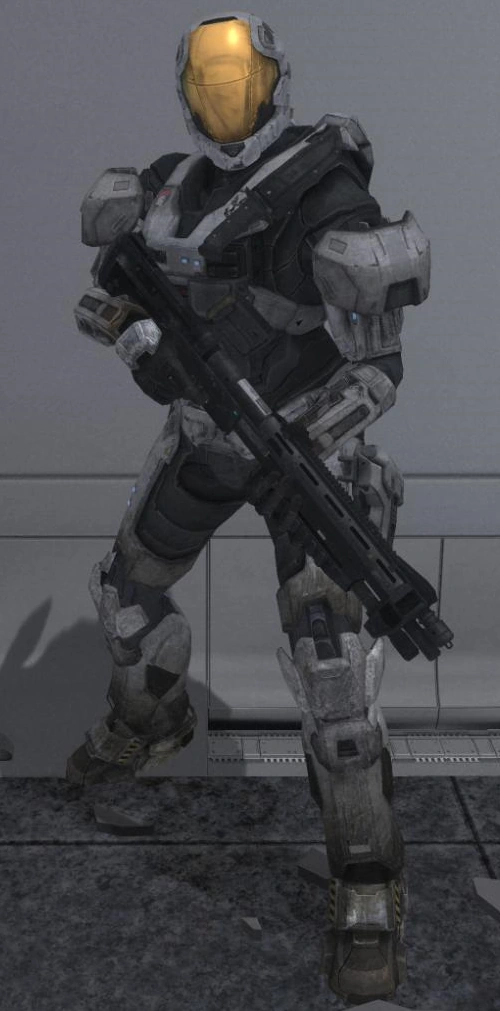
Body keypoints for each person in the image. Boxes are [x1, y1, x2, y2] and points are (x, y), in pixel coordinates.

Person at [69, 11, 431, 1002]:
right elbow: (105, 297)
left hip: (308, 454)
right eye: (209, 83)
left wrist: (301, 440)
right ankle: (147, 722)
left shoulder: (324, 195)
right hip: (203, 434)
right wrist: (131, 332)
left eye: (241, 80)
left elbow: (377, 371)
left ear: (274, 81)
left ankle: (366, 879)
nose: (226, 98)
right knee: (127, 600)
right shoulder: (165, 193)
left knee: (335, 680)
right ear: (188, 93)